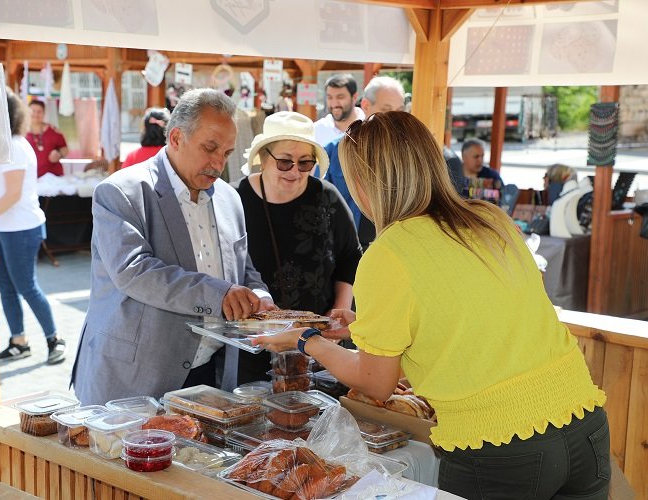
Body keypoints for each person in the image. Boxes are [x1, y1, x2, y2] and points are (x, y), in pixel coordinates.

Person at [254, 111, 610, 499]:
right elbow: (469, 319)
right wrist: (362, 328)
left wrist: (306, 340)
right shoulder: (489, 218)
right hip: (582, 421)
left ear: (363, 182)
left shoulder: (388, 252)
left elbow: (377, 382)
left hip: (498, 444)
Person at [71, 89, 275, 405]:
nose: (219, 162)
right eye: (210, 148)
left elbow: (242, 266)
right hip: (133, 378)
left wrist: (258, 296)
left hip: (209, 376)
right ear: (176, 138)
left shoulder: (230, 198)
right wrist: (218, 294)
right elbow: (135, 272)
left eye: (227, 152)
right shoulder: (120, 192)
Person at [236, 111, 361, 383]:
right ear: (264, 158)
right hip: (253, 344)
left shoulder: (327, 197)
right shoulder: (234, 199)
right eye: (285, 162)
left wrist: (336, 317)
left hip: (318, 345)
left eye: (305, 163)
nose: (295, 171)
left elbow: (350, 259)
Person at [0, 88, 66, 365]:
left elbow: (12, 195)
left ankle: (54, 338)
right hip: (3, 226)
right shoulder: (4, 143)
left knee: (26, 286)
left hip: (21, 227)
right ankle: (18, 341)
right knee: (7, 287)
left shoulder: (14, 144)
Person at [323, 76, 405, 249]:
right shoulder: (336, 149)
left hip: (393, 246)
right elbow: (321, 202)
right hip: (348, 248)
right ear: (366, 105)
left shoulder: (408, 153)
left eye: (400, 110)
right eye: (387, 109)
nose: (395, 117)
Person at [313, 74, 365, 147]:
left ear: (354, 97)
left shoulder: (367, 126)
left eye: (340, 97)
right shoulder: (317, 130)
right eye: (330, 97)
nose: (334, 103)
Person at [25, 100, 69, 178]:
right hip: (30, 178)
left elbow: (65, 149)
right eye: (33, 111)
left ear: (44, 113)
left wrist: (59, 154)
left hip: (54, 178)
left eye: (39, 111)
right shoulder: (22, 132)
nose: (36, 114)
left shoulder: (53, 130)